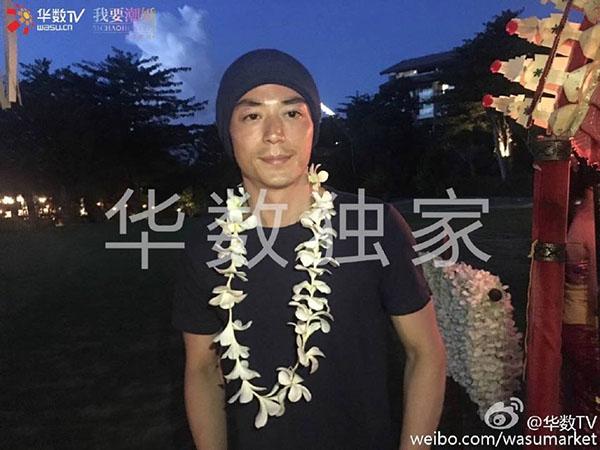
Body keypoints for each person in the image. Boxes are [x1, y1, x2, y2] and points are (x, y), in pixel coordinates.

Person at [172, 48, 446, 450]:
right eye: (252, 116)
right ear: (228, 132)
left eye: (291, 113)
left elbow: (425, 353)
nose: (274, 134)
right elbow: (201, 369)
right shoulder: (206, 244)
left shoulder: (373, 225)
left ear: (312, 127)